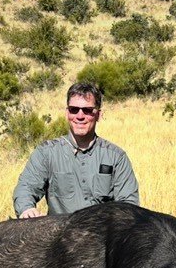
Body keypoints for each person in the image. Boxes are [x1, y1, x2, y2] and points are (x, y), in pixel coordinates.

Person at [13, 82, 139, 218]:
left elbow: (129, 206)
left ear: (98, 115)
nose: (80, 116)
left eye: (87, 110)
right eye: (74, 109)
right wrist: (27, 209)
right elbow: (25, 189)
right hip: (60, 236)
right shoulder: (46, 153)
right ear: (67, 113)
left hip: (103, 237)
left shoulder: (116, 157)